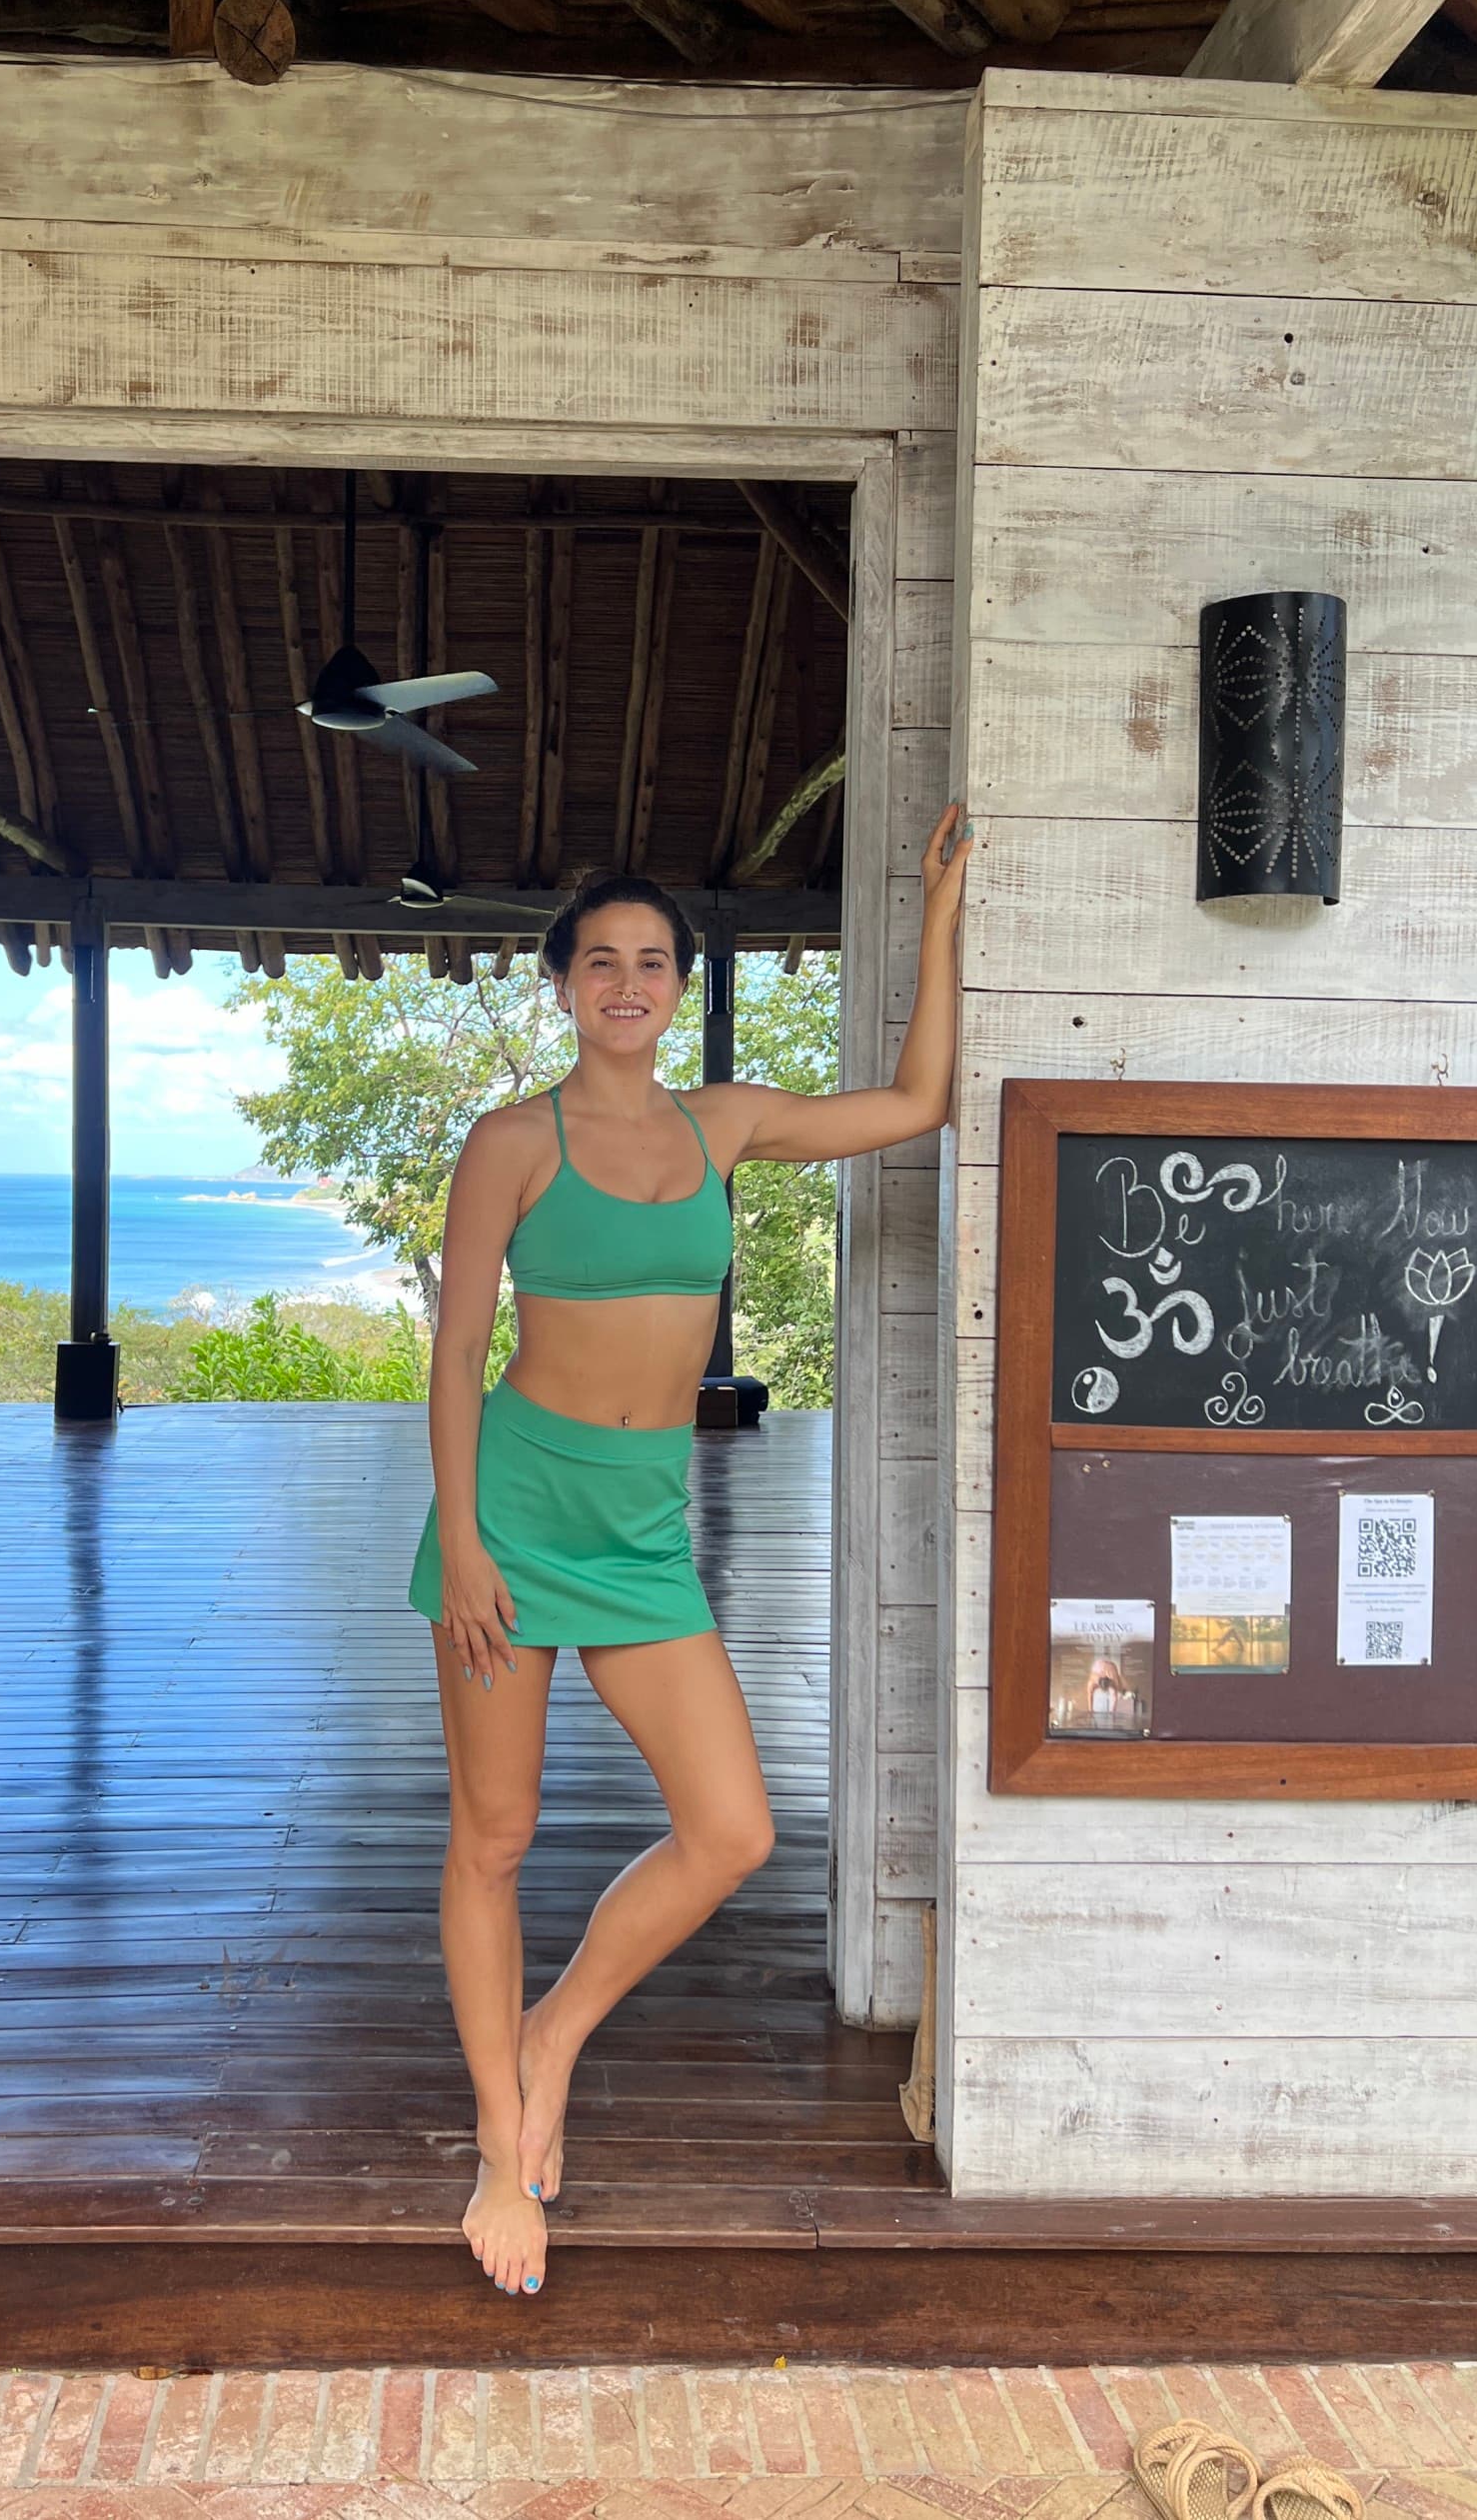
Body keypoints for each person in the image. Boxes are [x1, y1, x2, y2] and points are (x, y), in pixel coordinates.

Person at [406, 803, 974, 2297]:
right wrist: (461, 1544)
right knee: (497, 1834)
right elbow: (457, 1349)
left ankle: (557, 2033)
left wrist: (940, 913)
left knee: (732, 1829)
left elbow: (919, 1101)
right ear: (564, 985)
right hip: (520, 1510)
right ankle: (493, 2140)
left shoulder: (724, 1122)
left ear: (677, 987)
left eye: (653, 961)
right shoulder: (512, 1143)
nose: (629, 982)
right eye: (601, 960)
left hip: (644, 1525)